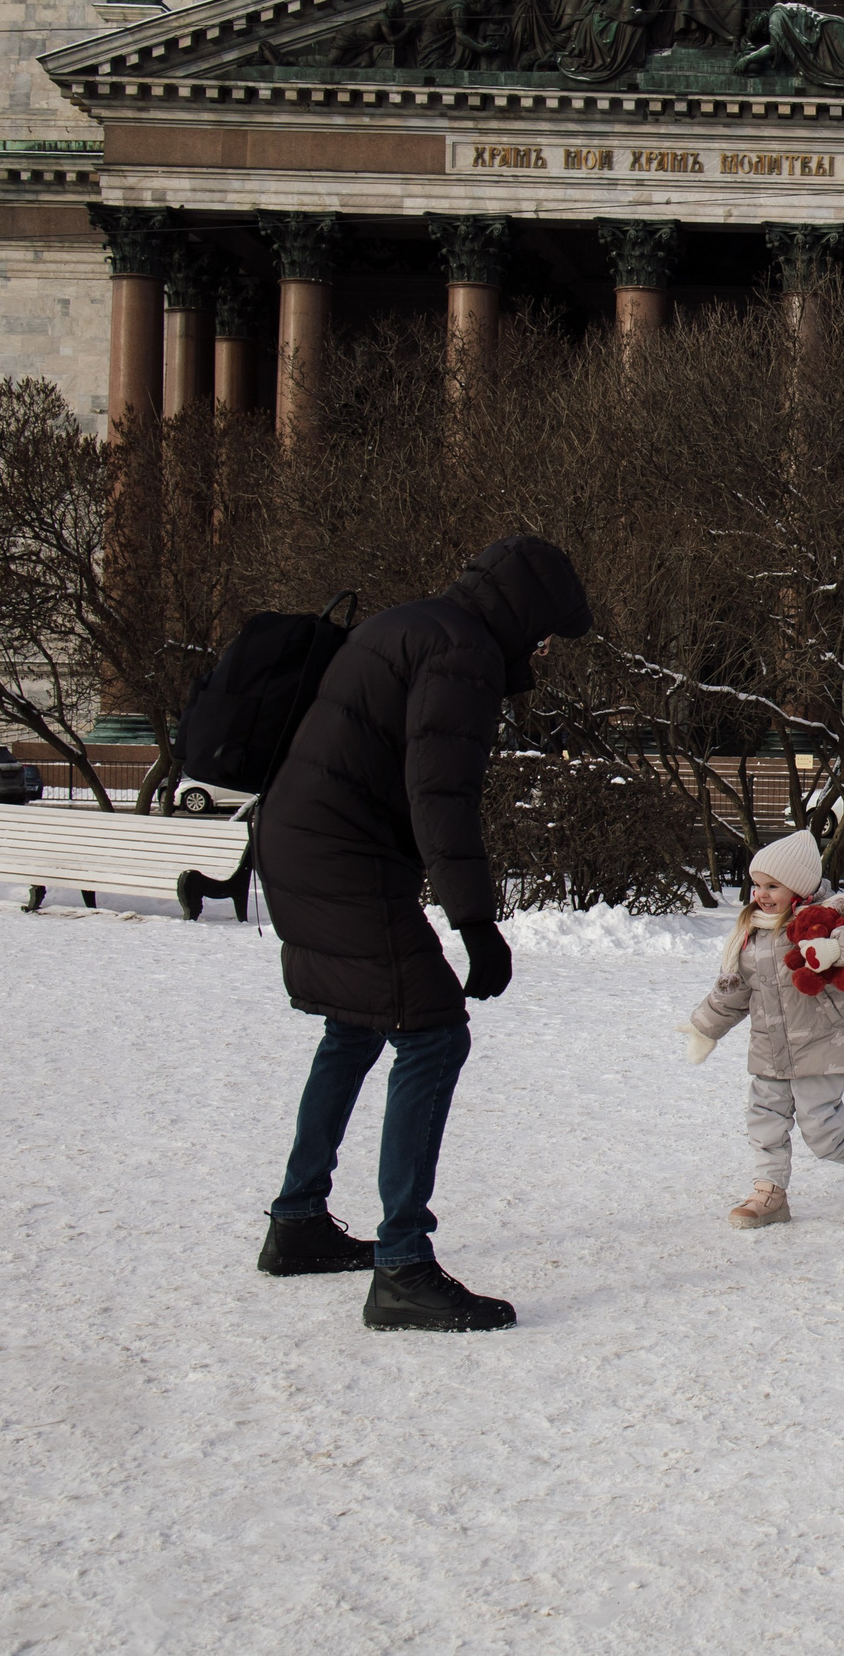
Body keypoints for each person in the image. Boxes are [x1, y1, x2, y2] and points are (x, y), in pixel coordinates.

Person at [255, 536, 594, 1333]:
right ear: (524, 612)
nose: (543, 649)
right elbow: (440, 795)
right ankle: (403, 1264)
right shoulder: (462, 654)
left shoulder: (415, 624)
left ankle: (298, 1220)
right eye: (545, 631)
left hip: (297, 839)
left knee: (358, 1024)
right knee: (433, 1032)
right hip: (342, 857)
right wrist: (476, 923)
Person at [684, 829, 844, 1227]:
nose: (761, 894)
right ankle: (769, 1193)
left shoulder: (833, 917)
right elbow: (736, 987)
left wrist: (835, 945)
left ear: (798, 886)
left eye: (772, 885)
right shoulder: (753, 933)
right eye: (757, 884)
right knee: (763, 1121)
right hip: (769, 1050)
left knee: (822, 1133)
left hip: (823, 1047)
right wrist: (705, 1027)